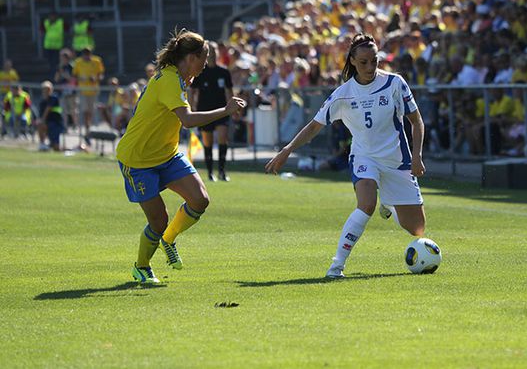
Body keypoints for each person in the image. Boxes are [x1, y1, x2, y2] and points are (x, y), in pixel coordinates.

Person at [265, 33, 428, 278]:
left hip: (397, 160)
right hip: (364, 158)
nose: (370, 67)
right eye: (364, 62)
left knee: (417, 229)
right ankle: (336, 266)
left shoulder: (395, 83)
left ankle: (389, 204)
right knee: (366, 205)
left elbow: (416, 121)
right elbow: (314, 126)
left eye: (374, 61)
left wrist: (417, 156)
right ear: (352, 61)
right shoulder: (343, 94)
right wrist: (287, 149)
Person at [116, 29, 245, 283]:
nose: (206, 64)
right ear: (191, 57)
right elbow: (187, 120)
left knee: (200, 200)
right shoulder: (169, 80)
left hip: (167, 154)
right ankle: (141, 267)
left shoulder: (178, 78)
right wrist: (225, 110)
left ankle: (168, 239)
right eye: (204, 58)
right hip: (138, 159)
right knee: (158, 220)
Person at [190, 42, 234, 181]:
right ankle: (210, 172)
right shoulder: (200, 72)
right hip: (204, 110)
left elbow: (229, 91)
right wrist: (191, 107)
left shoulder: (224, 72)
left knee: (222, 137)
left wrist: (232, 108)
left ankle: (222, 171)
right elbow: (192, 91)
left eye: (214, 52)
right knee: (207, 142)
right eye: (210, 53)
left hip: (222, 110)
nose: (212, 55)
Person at [72, 47, 105, 142]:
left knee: (91, 111)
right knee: (85, 111)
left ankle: (89, 129)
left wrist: (95, 78)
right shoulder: (78, 62)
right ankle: (87, 130)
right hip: (82, 91)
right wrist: (80, 78)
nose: (86, 56)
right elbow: (74, 75)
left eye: (88, 54)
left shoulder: (97, 61)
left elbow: (101, 75)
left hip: (93, 91)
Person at [36, 81, 64, 151]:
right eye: (45, 89)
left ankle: (51, 145)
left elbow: (48, 109)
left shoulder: (54, 98)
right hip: (48, 123)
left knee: (56, 148)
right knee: (40, 125)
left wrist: (42, 120)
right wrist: (40, 121)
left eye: (48, 89)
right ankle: (42, 144)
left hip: (56, 124)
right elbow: (40, 114)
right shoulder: (42, 102)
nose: (46, 91)